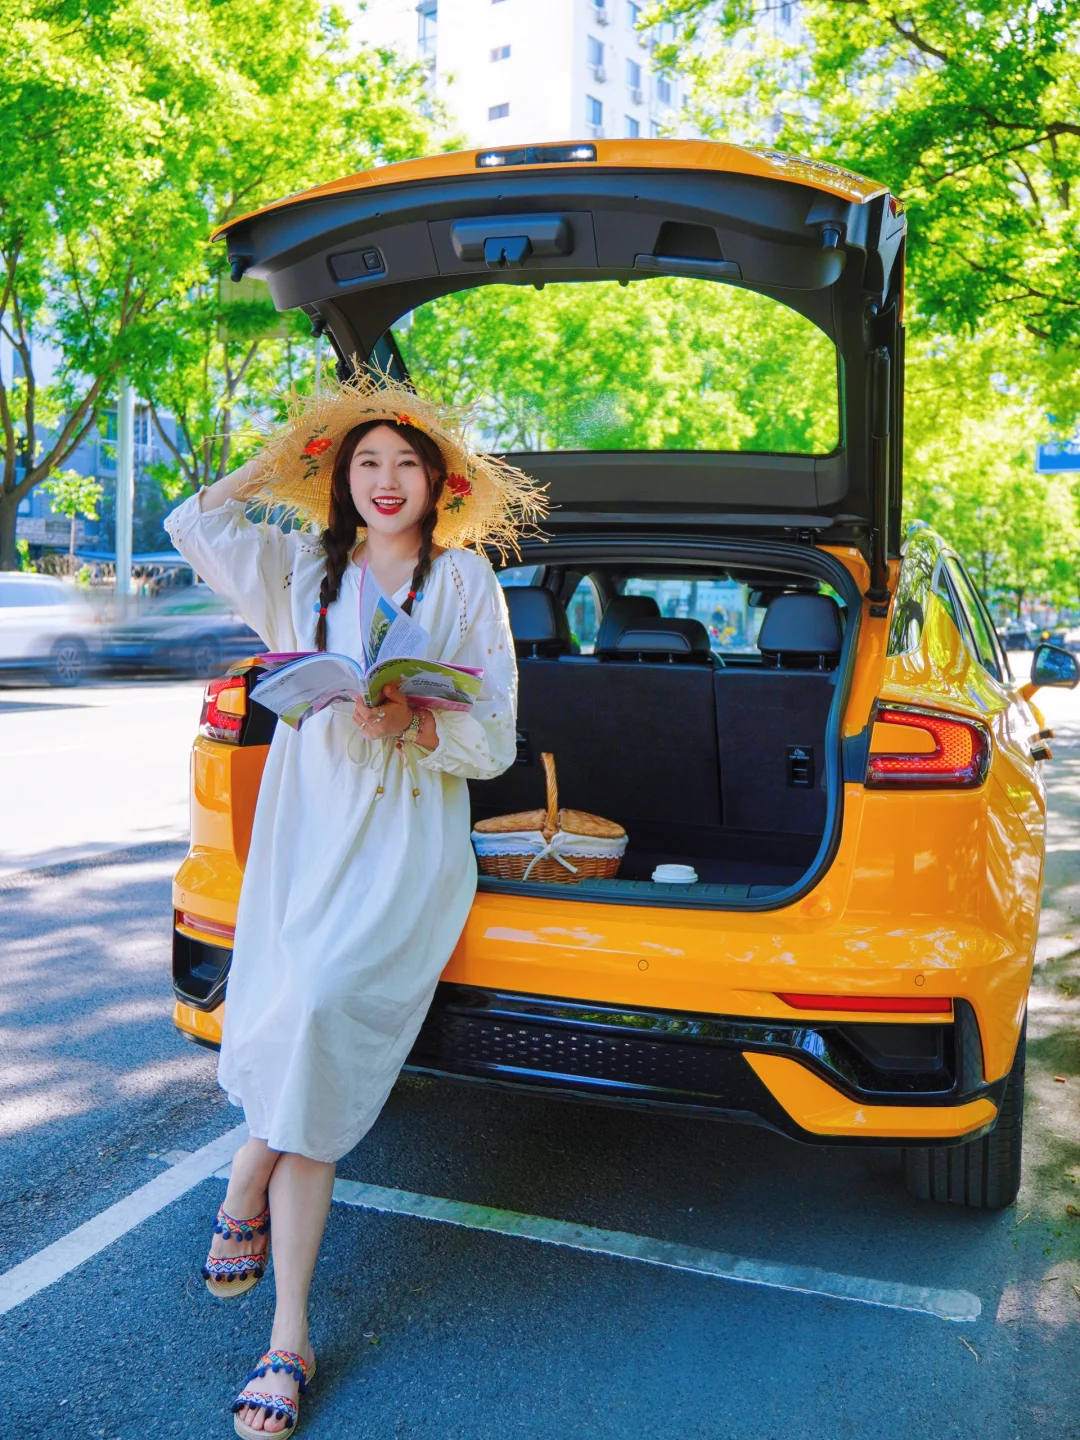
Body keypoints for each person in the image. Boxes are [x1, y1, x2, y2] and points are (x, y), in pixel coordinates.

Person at [164, 373, 544, 1438]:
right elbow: (192, 523)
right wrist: (285, 455)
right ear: (339, 480)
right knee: (303, 1039)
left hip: (405, 845)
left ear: (439, 482)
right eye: (364, 462)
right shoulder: (302, 571)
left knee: (322, 1009)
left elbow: (496, 736)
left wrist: (414, 726)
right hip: (306, 841)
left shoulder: (464, 580)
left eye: (404, 462)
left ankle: (245, 1178)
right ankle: (287, 1340)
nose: (384, 480)